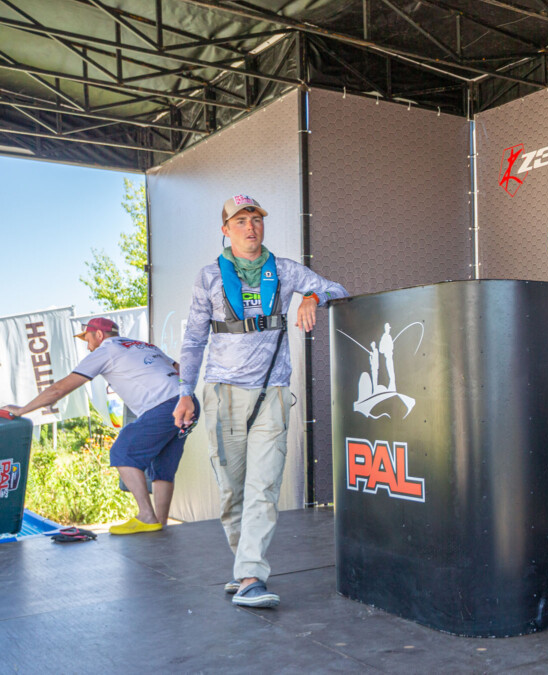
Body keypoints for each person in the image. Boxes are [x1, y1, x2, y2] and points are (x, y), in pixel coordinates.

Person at [172, 194, 349, 609]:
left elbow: (337, 289)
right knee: (232, 491)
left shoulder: (284, 270)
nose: (250, 227)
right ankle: (243, 568)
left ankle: (252, 575)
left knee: (263, 486)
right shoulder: (208, 278)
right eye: (240, 220)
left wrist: (312, 298)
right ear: (225, 230)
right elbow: (194, 340)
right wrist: (184, 393)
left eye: (256, 219)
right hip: (223, 395)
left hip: (272, 393)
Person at [3, 317, 194, 534]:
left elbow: (59, 389)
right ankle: (160, 523)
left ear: (99, 335)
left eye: (88, 339)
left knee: (122, 451)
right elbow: (181, 369)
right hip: (187, 402)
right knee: (162, 467)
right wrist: (184, 396)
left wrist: (22, 410)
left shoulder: (106, 350)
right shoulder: (144, 346)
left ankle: (147, 516)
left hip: (164, 406)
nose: (88, 346)